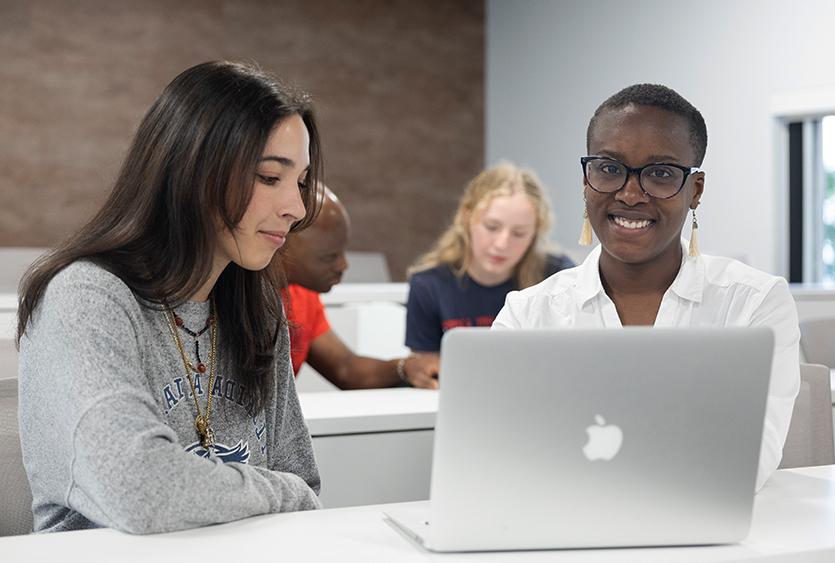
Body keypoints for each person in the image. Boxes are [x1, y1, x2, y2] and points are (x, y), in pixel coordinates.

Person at [16, 61, 324, 534]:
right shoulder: (86, 298)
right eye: (269, 178)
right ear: (194, 170)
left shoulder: (257, 312)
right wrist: (282, 492)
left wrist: (290, 491)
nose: (296, 208)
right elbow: (140, 490)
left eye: (300, 182)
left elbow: (302, 479)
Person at [493, 84, 800, 491]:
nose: (630, 193)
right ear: (586, 181)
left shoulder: (754, 305)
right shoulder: (527, 315)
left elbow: (749, 460)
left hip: (707, 537)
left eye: (660, 174)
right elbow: (499, 457)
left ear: (696, 190)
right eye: (608, 168)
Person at [405, 162, 574, 384]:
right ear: (467, 218)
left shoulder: (557, 276)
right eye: (492, 227)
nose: (502, 244)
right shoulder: (429, 284)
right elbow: (427, 371)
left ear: (535, 234)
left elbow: (574, 359)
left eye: (519, 233)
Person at [271, 187, 440, 389]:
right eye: (329, 257)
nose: (343, 265)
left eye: (342, 252)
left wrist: (406, 367)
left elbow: (345, 369)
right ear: (281, 246)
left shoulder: (303, 297)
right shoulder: (237, 297)